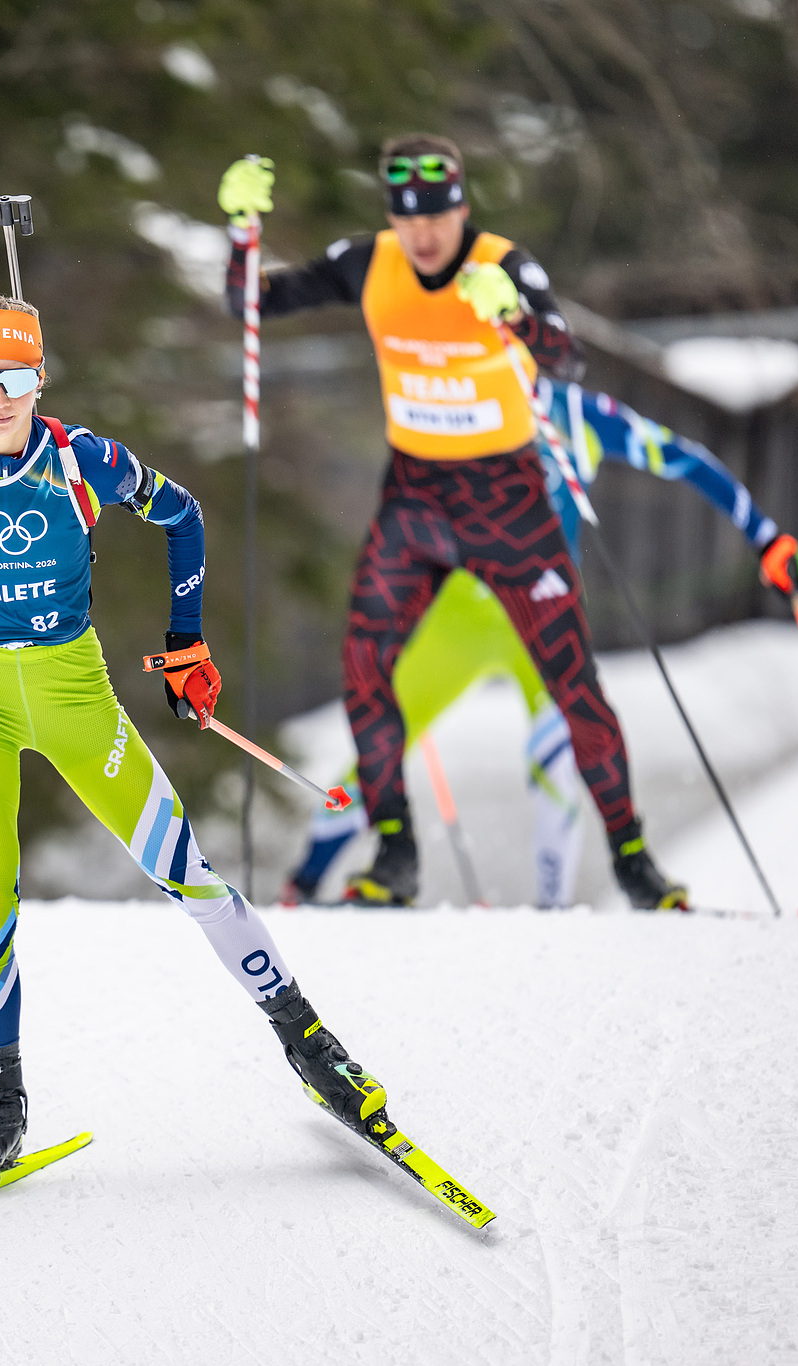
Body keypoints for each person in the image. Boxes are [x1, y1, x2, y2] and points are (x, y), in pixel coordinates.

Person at [0, 292, 389, 1186]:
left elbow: (184, 517)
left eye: (15, 376)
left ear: (37, 378)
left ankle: (310, 1044)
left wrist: (186, 642)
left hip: (74, 696)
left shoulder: (82, 460)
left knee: (187, 872)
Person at [216, 136, 701, 909]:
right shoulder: (368, 262)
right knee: (364, 668)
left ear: (462, 209)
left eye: (439, 216)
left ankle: (634, 861)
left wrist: (513, 315)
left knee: (575, 686)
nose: (426, 236)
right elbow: (252, 305)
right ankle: (395, 854)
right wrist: (241, 236)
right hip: (415, 500)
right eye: (410, 221)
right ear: (392, 219)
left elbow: (567, 357)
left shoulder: (502, 263)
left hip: (507, 503)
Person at [284, 380, 798, 907]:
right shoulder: (458, 394)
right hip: (460, 619)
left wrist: (766, 537)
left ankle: (555, 911)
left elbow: (685, 458)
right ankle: (304, 887)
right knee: (381, 740)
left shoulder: (578, 413)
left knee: (558, 758)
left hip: (539, 613)